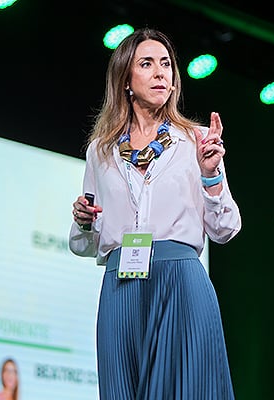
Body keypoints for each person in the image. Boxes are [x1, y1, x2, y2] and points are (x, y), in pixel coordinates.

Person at [68, 27, 241, 399]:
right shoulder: (100, 150)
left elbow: (226, 228)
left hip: (181, 282)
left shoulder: (196, 139)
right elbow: (85, 243)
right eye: (147, 64)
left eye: (166, 64)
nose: (161, 72)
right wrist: (83, 221)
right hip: (121, 286)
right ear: (126, 80)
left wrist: (212, 175)